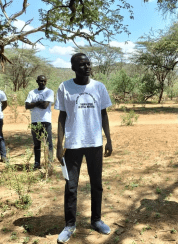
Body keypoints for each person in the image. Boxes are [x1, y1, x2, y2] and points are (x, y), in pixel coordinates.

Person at [55, 53, 113, 243]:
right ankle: (70, 225)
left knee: (97, 184)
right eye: (82, 64)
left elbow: (104, 114)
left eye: (88, 63)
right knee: (71, 186)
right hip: (73, 144)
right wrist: (59, 143)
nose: (87, 67)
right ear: (73, 67)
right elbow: (62, 117)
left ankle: (96, 220)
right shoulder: (64, 87)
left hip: (95, 143)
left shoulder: (99, 87)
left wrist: (109, 139)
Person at [25, 75, 54, 169]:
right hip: (35, 121)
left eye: (44, 81)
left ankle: (49, 163)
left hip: (46, 121)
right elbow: (26, 105)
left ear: (46, 81)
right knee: (37, 144)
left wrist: (34, 104)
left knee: (49, 143)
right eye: (40, 81)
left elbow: (45, 105)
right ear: (37, 81)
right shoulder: (32, 92)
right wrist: (38, 103)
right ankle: (37, 163)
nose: (42, 82)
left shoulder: (49, 92)